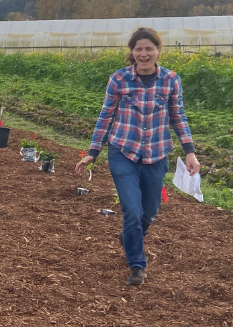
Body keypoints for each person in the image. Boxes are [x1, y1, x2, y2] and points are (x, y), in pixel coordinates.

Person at [75, 27, 200, 288]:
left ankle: (129, 237)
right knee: (132, 209)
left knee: (150, 211)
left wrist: (189, 151)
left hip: (156, 153)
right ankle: (136, 264)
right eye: (138, 49)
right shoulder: (119, 79)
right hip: (123, 152)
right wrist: (93, 152)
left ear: (158, 51)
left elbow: (178, 116)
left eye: (149, 48)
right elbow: (105, 116)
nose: (144, 54)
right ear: (132, 52)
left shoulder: (171, 80)